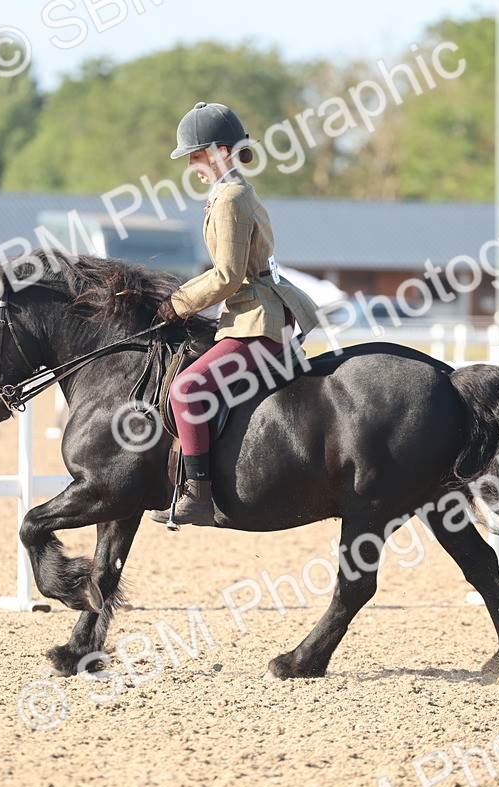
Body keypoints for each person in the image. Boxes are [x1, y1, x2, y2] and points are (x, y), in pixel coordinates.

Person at [149, 101, 321, 527]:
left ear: (221, 151)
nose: (192, 164)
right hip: (248, 314)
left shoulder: (230, 198)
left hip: (256, 321)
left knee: (187, 390)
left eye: (196, 153)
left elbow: (226, 276)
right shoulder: (231, 192)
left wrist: (177, 303)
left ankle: (198, 495)